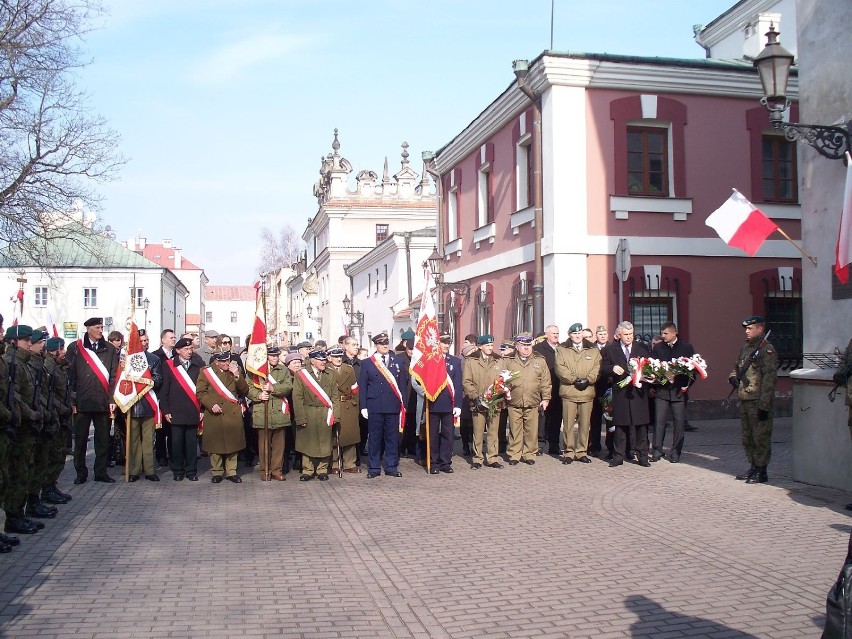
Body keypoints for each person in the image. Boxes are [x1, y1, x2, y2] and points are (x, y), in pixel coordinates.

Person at [66, 317, 120, 484]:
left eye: (101, 327)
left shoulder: (109, 349)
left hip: (102, 401)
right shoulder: (76, 348)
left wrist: (112, 398)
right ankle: (80, 473)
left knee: (103, 439)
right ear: (88, 328)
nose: (100, 330)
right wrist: (73, 401)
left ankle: (101, 472)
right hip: (82, 402)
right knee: (81, 440)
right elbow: (70, 376)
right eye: (97, 327)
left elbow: (113, 376)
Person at [729, 315, 778, 484]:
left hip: (758, 401)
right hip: (745, 397)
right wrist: (733, 377)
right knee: (747, 436)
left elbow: (769, 378)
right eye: (746, 329)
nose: (747, 331)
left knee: (760, 437)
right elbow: (737, 367)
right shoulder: (745, 349)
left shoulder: (767, 349)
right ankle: (753, 467)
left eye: (750, 328)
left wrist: (764, 404)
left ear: (760, 329)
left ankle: (761, 470)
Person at [358, 333, 409, 478]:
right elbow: (363, 386)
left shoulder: (397, 361)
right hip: (374, 405)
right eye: (381, 343)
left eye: (386, 342)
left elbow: (402, 386)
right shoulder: (368, 363)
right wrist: (363, 406)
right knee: (374, 438)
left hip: (392, 405)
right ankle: (374, 468)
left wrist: (403, 405)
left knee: (392, 438)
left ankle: (391, 466)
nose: (385, 345)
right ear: (376, 345)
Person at [602, 321, 652, 468]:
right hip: (621, 392)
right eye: (626, 335)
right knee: (621, 426)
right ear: (619, 335)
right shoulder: (611, 350)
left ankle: (642, 456)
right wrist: (612, 368)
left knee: (641, 426)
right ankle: (618, 456)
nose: (629, 337)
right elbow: (603, 368)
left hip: (638, 392)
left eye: (631, 334)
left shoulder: (642, 348)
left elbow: (650, 368)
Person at [197, 351, 249, 483]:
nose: (227, 363)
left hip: (232, 412)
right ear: (216, 361)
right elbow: (201, 392)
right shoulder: (206, 372)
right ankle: (217, 472)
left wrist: (237, 375)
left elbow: (245, 389)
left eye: (228, 360)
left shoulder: (234, 370)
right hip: (215, 412)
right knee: (216, 444)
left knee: (233, 444)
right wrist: (210, 404)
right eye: (223, 361)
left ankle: (232, 471)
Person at [159, 337, 205, 481]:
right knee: (176, 444)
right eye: (185, 349)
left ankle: (191, 471)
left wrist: (202, 409)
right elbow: (164, 390)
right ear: (178, 350)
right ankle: (178, 471)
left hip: (193, 411)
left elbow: (203, 390)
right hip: (175, 411)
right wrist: (165, 410)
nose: (189, 351)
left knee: (191, 445)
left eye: (191, 348)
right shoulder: (169, 365)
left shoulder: (198, 365)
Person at [555, 322, 601, 465]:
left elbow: (597, 367)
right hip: (570, 391)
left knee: (585, 424)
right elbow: (560, 368)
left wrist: (588, 380)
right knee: (568, 424)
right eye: (574, 333)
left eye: (579, 333)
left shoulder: (593, 349)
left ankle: (581, 451)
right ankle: (569, 452)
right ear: (570, 335)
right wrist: (574, 380)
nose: (577, 336)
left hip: (587, 392)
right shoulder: (562, 348)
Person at [650, 322, 695, 463]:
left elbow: (694, 370)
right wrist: (656, 378)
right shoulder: (658, 348)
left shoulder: (686, 347)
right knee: (659, 422)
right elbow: (651, 366)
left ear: (674, 333)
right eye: (662, 333)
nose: (663, 336)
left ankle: (675, 452)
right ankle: (657, 451)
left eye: (665, 333)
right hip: (662, 392)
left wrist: (686, 385)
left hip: (678, 392)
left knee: (679, 423)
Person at [504, 333, 551, 465]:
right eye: (523, 345)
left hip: (533, 401)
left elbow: (546, 382)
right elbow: (502, 381)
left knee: (531, 430)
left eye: (528, 345)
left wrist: (546, 398)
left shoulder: (539, 360)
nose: (526, 348)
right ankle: (514, 454)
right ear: (517, 347)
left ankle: (529, 454)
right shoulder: (509, 361)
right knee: (515, 429)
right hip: (514, 401)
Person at [246, 346, 292, 481]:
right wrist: (258, 395)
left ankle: (276, 470)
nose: (275, 358)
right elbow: (247, 387)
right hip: (262, 410)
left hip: (279, 411)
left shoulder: (283, 369)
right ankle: (264, 469)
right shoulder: (256, 370)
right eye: (272, 356)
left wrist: (274, 388)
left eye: (277, 356)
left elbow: (288, 386)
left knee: (279, 445)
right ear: (266, 357)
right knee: (263, 444)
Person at [293, 349, 339, 481]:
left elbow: (335, 396)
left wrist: (336, 415)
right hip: (309, 411)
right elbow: (297, 397)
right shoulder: (302, 374)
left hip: (325, 412)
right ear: (313, 361)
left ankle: (322, 469)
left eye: (325, 359)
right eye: (321, 360)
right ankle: (307, 470)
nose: (324, 362)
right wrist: (301, 417)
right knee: (307, 442)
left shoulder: (330, 374)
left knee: (325, 442)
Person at [125, 330, 163, 482]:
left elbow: (158, 378)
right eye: (142, 341)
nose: (145, 343)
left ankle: (149, 470)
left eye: (147, 340)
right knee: (133, 440)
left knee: (148, 440)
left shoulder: (154, 359)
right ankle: (134, 470)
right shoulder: (127, 359)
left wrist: (143, 382)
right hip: (132, 405)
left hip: (148, 403)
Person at [462, 335, 503, 470]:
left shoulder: (498, 360)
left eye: (492, 345)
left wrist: (499, 393)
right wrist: (475, 397)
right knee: (478, 432)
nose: (491, 348)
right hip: (478, 401)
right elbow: (467, 381)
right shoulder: (471, 360)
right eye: (487, 346)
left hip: (494, 401)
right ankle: (477, 458)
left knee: (493, 432)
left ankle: (492, 458)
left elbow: (503, 379)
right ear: (480, 346)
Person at [423, 334, 463, 475]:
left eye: (448, 343)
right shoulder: (430, 361)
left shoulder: (455, 362)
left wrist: (458, 404)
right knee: (433, 434)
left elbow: (458, 385)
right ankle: (434, 462)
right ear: (437, 343)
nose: (446, 345)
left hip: (449, 403)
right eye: (443, 342)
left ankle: (446, 462)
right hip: (433, 402)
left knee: (448, 434)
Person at [42, 337, 73, 505]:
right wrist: (61, 408)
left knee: (59, 455)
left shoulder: (60, 367)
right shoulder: (48, 367)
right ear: (54, 350)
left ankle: (51, 486)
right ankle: (46, 489)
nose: (64, 352)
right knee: (52, 456)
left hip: (62, 416)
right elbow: (48, 394)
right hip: (54, 415)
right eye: (61, 349)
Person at [327, 347, 361, 473]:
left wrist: (356, 405)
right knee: (334, 437)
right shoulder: (326, 370)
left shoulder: (349, 369)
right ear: (329, 358)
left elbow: (355, 389)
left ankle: (349, 463)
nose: (338, 359)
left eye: (340, 356)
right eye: (335, 357)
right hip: (334, 404)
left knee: (350, 435)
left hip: (348, 404)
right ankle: (335, 463)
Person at [533, 325, 562, 455]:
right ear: (546, 334)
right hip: (542, 389)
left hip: (558, 389)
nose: (556, 335)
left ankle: (554, 444)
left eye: (557, 333)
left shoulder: (562, 349)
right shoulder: (538, 349)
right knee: (542, 418)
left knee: (556, 418)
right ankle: (540, 443)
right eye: (553, 333)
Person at [588, 325, 611, 458]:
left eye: (604, 334)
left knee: (609, 419)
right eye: (600, 334)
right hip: (594, 387)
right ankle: (594, 446)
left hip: (607, 388)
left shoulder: (612, 348)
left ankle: (610, 446)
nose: (602, 336)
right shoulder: (591, 348)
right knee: (594, 420)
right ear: (596, 335)